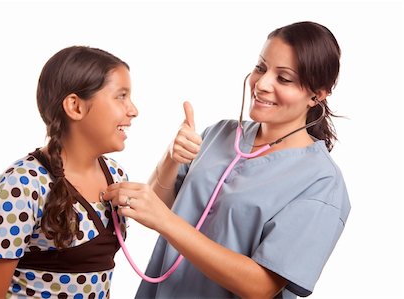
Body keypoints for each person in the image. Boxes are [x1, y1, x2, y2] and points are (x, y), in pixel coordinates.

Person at [102, 21, 350, 298]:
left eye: (284, 78)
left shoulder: (321, 182)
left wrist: (166, 222)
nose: (263, 84)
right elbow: (158, 208)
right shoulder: (219, 133)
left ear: (317, 95)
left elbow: (262, 286)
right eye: (260, 68)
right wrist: (171, 159)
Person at [0, 46, 138, 298]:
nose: (133, 110)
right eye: (121, 96)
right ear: (75, 106)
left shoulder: (115, 175)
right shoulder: (19, 189)